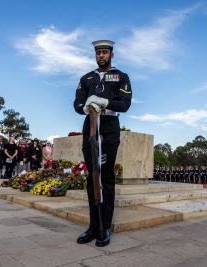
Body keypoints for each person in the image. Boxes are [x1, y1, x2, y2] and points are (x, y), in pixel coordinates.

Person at [73, 39, 132, 247]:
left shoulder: (121, 77)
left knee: (105, 176)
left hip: (108, 130)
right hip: (90, 129)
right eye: (98, 53)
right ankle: (93, 226)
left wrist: (105, 103)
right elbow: (77, 102)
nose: (101, 56)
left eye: (105, 52)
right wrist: (86, 107)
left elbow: (125, 104)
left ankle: (105, 227)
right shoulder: (86, 78)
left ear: (111, 55)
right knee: (92, 176)